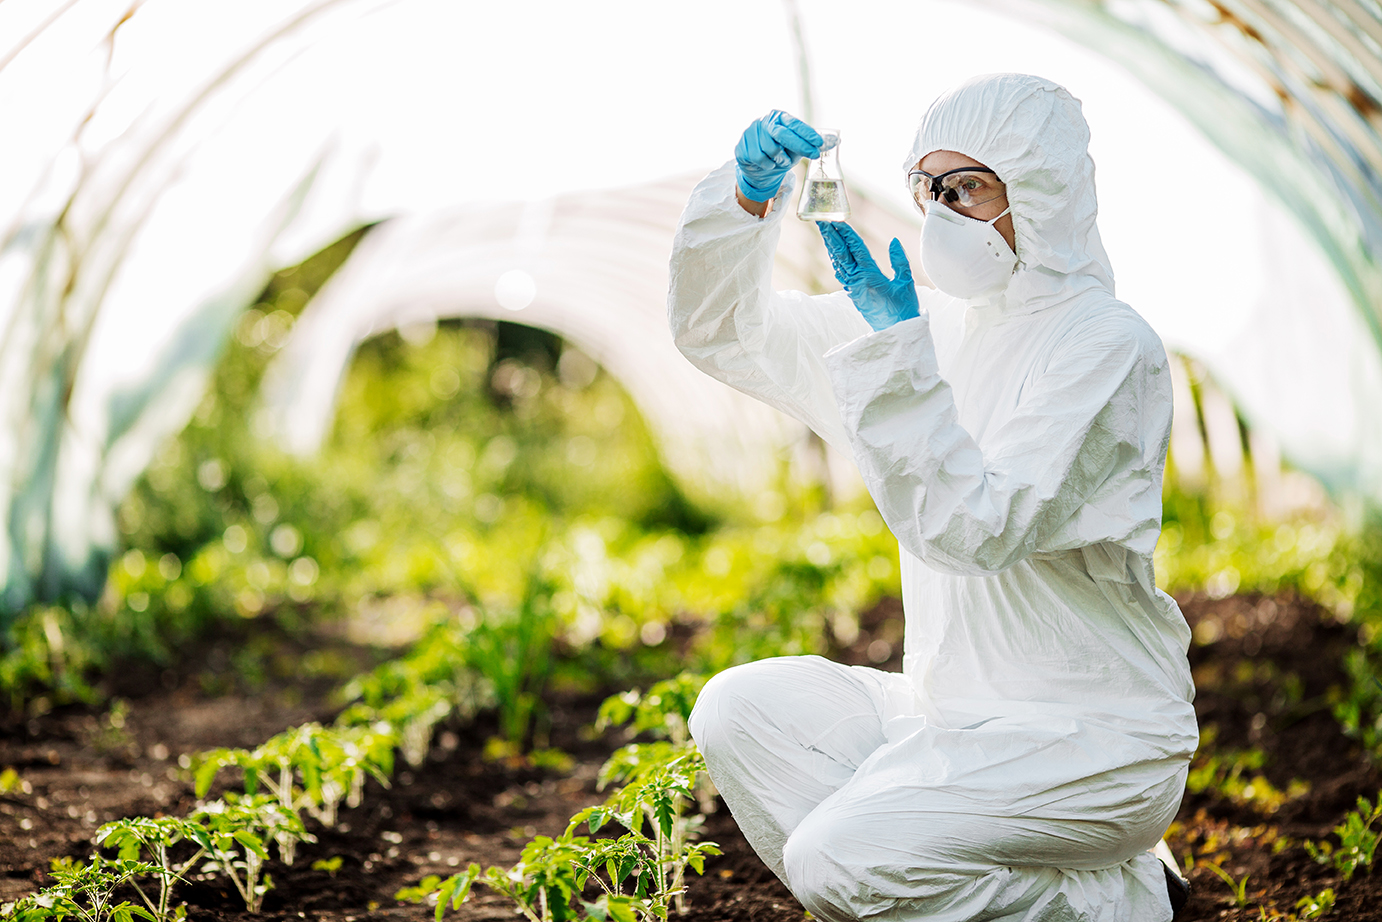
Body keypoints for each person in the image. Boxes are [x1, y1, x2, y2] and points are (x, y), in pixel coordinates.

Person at [666, 73, 1198, 922]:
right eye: (927, 189)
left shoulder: (1104, 345)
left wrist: (894, 351)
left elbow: (975, 530)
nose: (940, 213)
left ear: (1040, 190)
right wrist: (745, 200)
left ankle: (1124, 909)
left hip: (1093, 741)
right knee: (738, 711)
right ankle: (1076, 885)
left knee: (838, 862)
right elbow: (725, 335)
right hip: (952, 714)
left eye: (967, 188)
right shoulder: (933, 324)